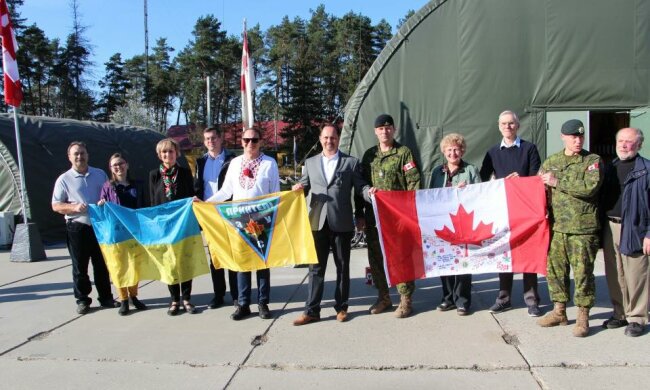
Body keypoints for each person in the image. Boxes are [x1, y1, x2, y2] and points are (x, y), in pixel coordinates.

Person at [292, 124, 371, 326]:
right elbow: (304, 185)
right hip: (317, 221)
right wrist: (297, 188)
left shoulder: (350, 163)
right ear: (320, 139)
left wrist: (368, 193)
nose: (329, 141)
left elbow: (359, 188)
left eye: (333, 137)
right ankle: (312, 310)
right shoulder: (310, 163)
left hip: (341, 221)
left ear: (338, 139)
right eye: (326, 137)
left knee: (342, 267)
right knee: (315, 268)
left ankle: (342, 308)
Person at [537, 119, 603, 337]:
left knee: (583, 272)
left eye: (581, 137)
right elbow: (539, 191)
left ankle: (583, 315)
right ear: (563, 137)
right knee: (555, 272)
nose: (578, 141)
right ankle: (559, 311)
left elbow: (590, 188)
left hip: (583, 229)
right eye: (573, 137)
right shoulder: (551, 161)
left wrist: (558, 181)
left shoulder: (592, 160)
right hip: (557, 228)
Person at [206, 128, 280, 321]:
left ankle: (263, 302)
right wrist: (206, 204)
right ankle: (243, 303)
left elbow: (276, 194)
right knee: (242, 263)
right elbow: (226, 191)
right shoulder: (235, 163)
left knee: (262, 263)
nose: (250, 143)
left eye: (254, 140)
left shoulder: (269, 163)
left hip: (261, 220)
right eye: (246, 140)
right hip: (238, 220)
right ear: (241, 142)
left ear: (260, 141)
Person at [480, 110, 543, 317]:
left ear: (518, 126)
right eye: (504, 124)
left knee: (528, 256)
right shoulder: (492, 152)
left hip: (526, 212)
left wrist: (521, 181)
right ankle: (504, 299)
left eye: (511, 123)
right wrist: (498, 183)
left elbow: (536, 178)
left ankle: (532, 300)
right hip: (503, 211)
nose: (508, 127)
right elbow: (482, 181)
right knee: (503, 255)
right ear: (499, 126)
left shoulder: (529, 149)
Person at [360, 114, 421, 318]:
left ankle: (405, 300)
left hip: (397, 217)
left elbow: (413, 181)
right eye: (380, 128)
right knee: (376, 257)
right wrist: (360, 212)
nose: (384, 131)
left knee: (401, 256)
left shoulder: (403, 153)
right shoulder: (369, 156)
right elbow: (360, 185)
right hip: (374, 218)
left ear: (393, 130)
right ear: (375, 132)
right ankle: (383, 296)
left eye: (388, 128)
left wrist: (409, 212)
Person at [52, 141, 117, 315]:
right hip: (77, 227)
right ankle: (82, 300)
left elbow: (108, 194)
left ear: (88, 155)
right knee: (80, 267)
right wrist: (73, 208)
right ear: (69, 157)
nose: (79, 156)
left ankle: (106, 298)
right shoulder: (64, 179)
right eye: (76, 154)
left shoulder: (100, 174)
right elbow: (56, 205)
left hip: (99, 226)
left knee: (102, 264)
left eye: (82, 153)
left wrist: (105, 201)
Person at [600, 127, 650, 337]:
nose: (623, 145)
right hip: (610, 226)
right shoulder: (610, 167)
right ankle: (619, 313)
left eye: (629, 142)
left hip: (636, 227)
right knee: (615, 272)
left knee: (636, 273)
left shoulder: (646, 169)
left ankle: (637, 317)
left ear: (639, 145)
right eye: (620, 141)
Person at [431, 133, 480, 316]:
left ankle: (463, 301)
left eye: (456, 149)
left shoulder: (471, 170)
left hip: (463, 223)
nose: (453, 153)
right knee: (444, 261)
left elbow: (480, 194)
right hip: (444, 223)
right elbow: (431, 196)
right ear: (444, 151)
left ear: (462, 151)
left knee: (463, 263)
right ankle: (447, 298)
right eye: (449, 149)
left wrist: (465, 192)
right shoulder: (437, 171)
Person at [149, 138, 197, 316]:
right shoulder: (154, 175)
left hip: (183, 226)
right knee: (169, 263)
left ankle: (186, 299)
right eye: (164, 152)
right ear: (159, 155)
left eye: (170, 151)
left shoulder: (184, 173)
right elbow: (153, 203)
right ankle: (174, 299)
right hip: (164, 227)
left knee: (184, 261)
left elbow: (190, 196)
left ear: (177, 153)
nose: (167, 155)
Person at [97, 153, 148, 316]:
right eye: (114, 165)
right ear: (111, 169)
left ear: (127, 165)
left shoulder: (138, 185)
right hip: (116, 233)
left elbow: (144, 206)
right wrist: (101, 205)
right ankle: (123, 299)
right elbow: (102, 210)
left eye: (120, 163)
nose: (118, 167)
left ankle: (133, 296)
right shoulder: (107, 186)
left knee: (134, 264)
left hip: (134, 232)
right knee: (118, 266)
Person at [194, 127, 238, 309]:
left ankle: (237, 295)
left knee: (234, 253)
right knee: (215, 257)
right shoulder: (200, 162)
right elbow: (198, 185)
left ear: (221, 139)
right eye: (207, 139)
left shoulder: (232, 160)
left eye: (213, 138)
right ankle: (219, 294)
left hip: (228, 211)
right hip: (209, 214)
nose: (210, 141)